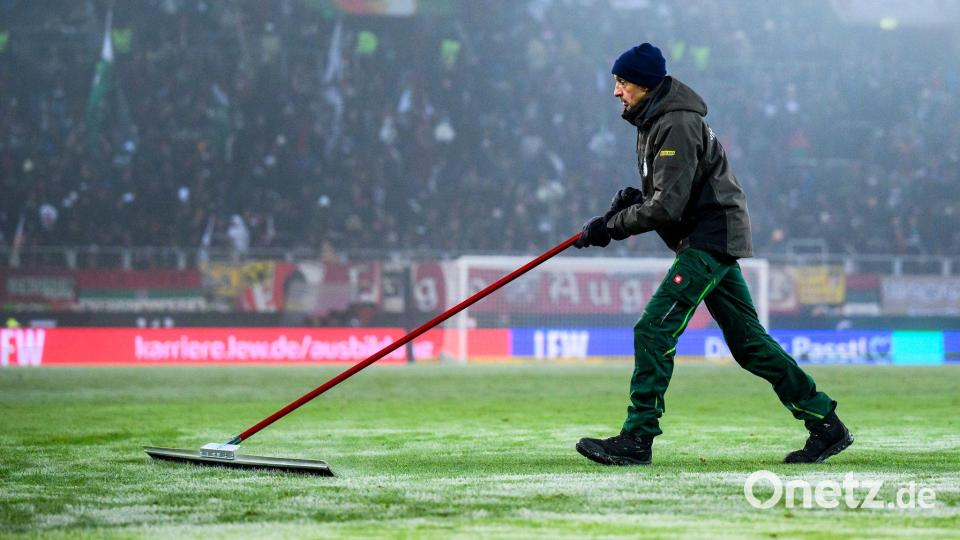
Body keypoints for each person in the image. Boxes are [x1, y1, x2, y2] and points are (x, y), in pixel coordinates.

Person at [573, 43, 853, 466]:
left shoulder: (676, 124)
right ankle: (826, 424)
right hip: (708, 236)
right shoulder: (655, 121)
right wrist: (631, 201)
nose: (616, 91)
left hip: (709, 238)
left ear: (646, 85)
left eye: (622, 82)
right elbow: (670, 192)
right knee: (749, 344)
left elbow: (667, 206)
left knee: (653, 328)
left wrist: (611, 226)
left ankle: (637, 438)